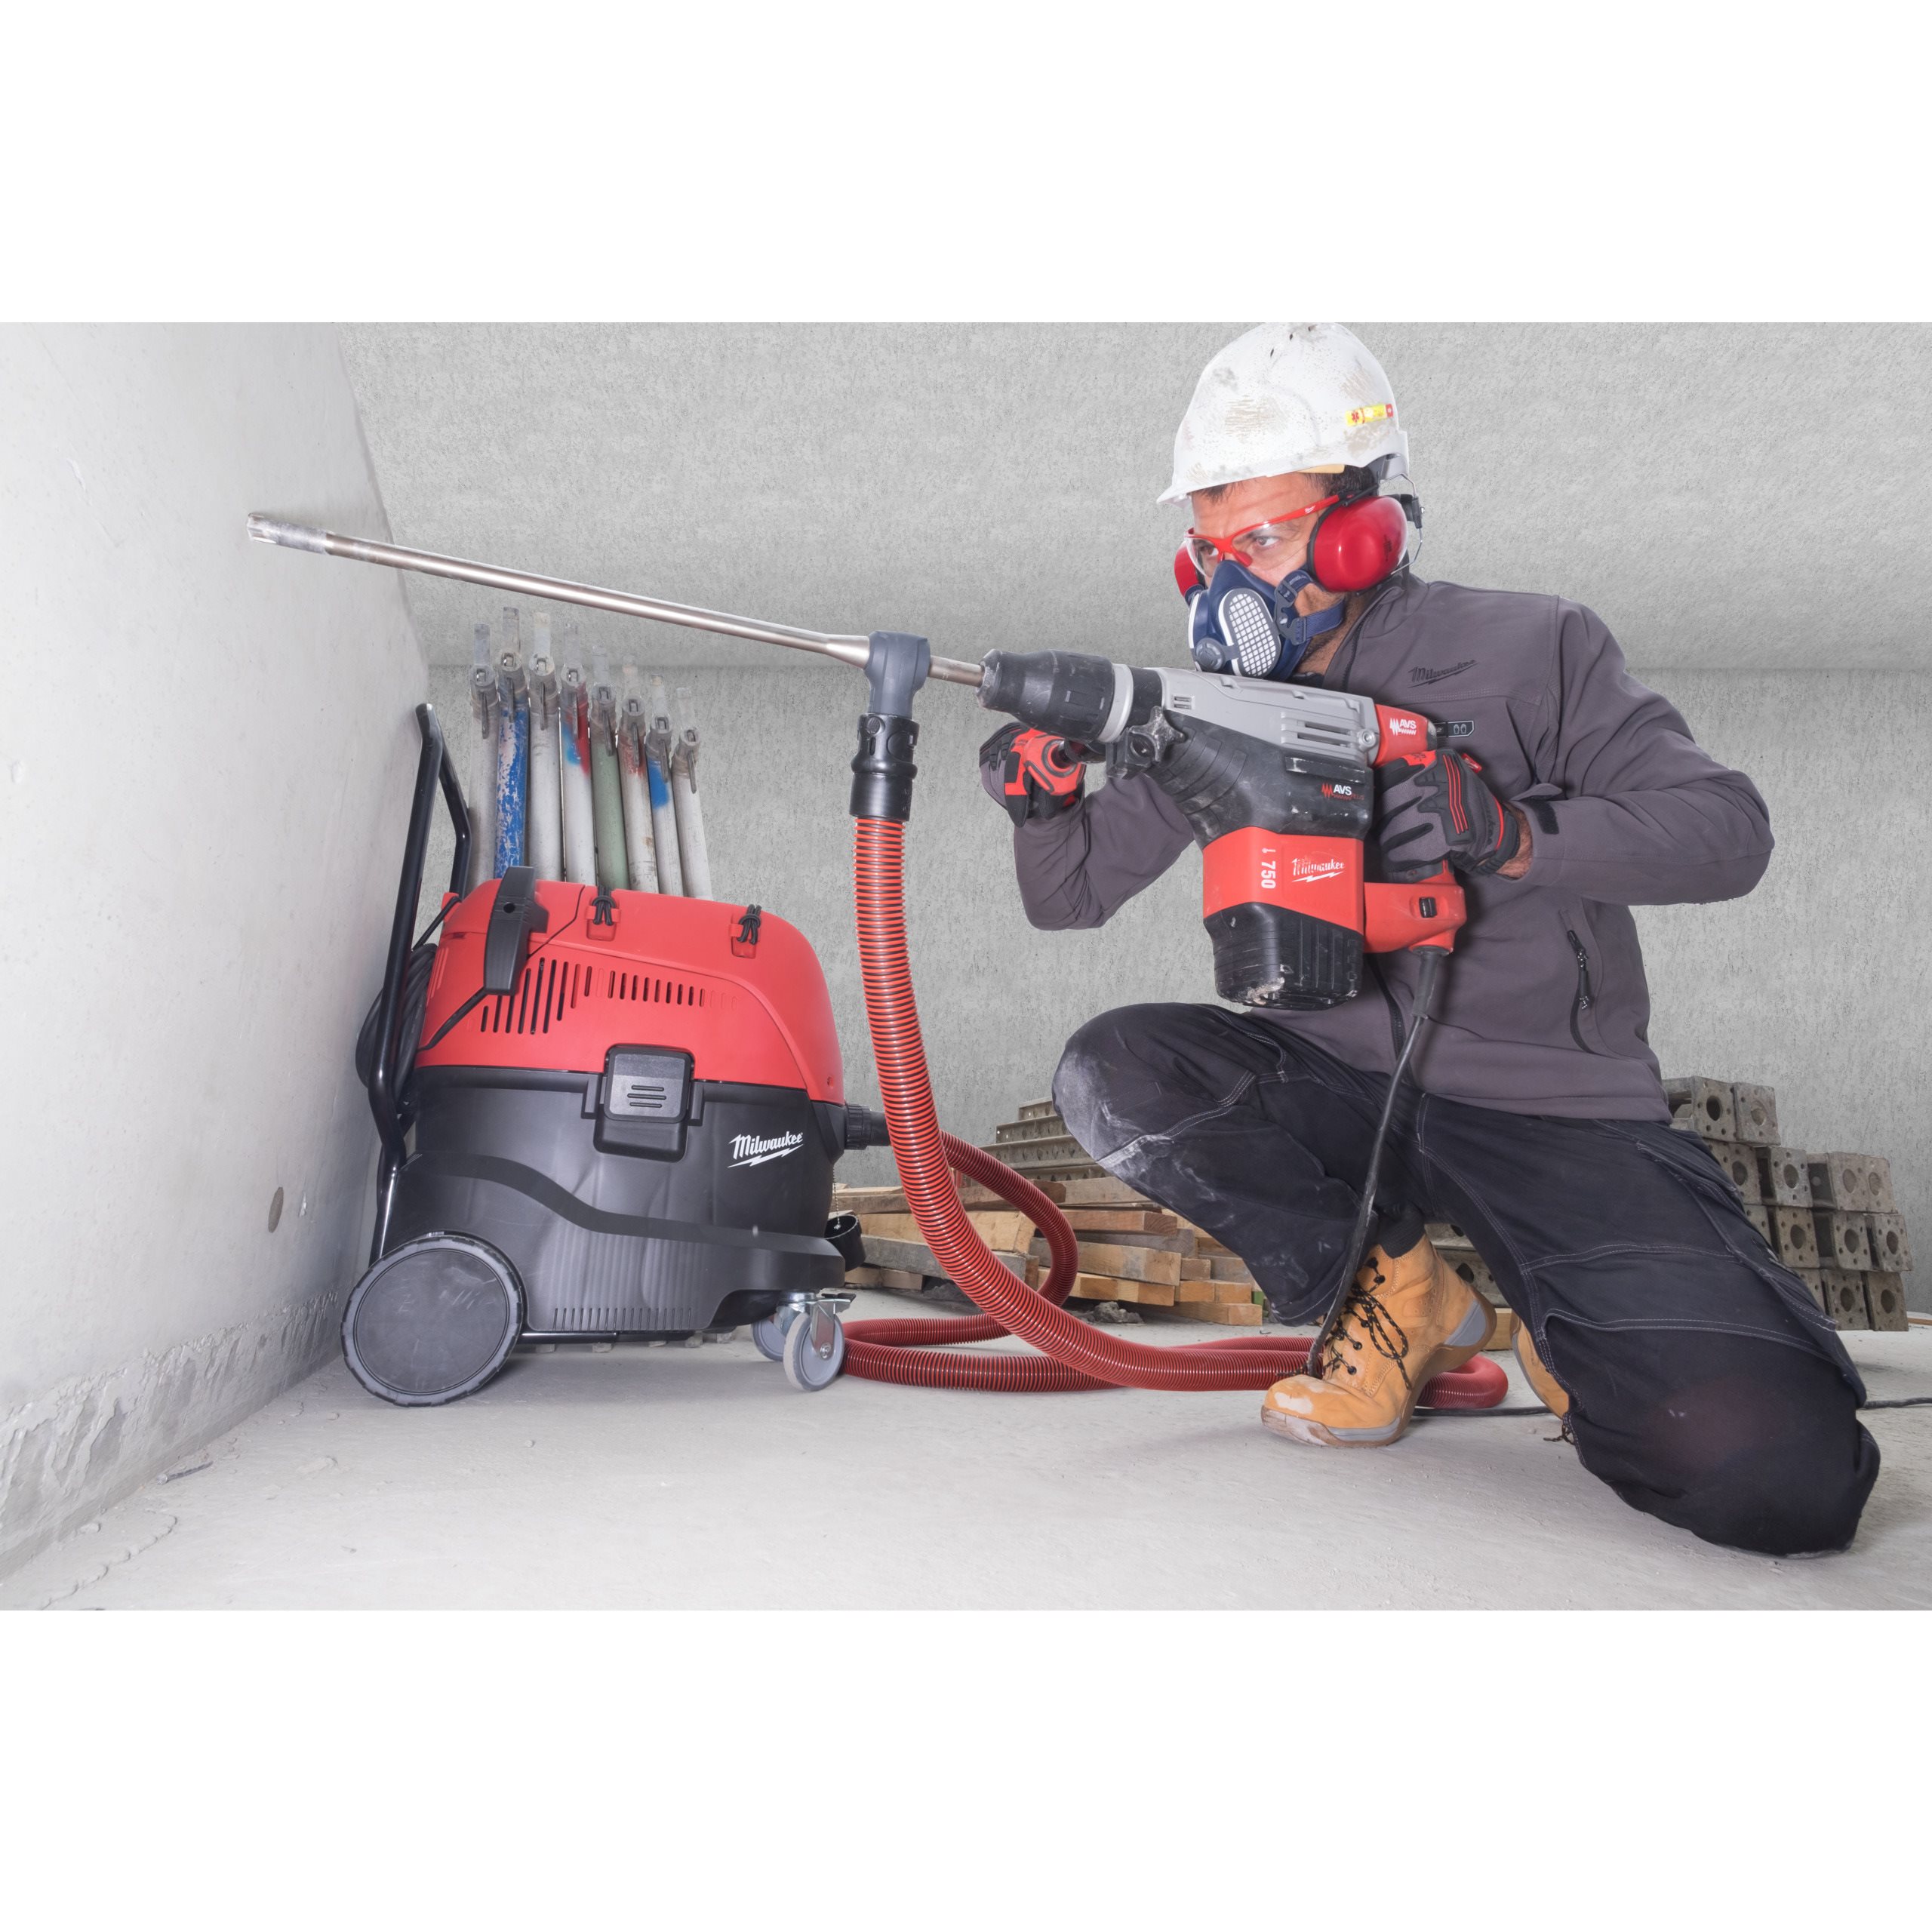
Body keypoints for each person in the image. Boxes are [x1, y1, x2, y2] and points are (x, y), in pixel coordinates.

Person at [980, 323, 1877, 1557]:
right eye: (1207, 551)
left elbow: (1729, 835)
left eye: (1263, 540)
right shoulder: (1216, 710)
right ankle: (1396, 1291)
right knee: (1117, 1068)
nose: (1228, 584)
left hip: (1558, 1117)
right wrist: (1042, 808)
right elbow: (1070, 897)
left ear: (1363, 528)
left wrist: (1516, 837)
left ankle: (1574, 1332)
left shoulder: (1535, 645)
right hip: (1337, 1087)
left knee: (1774, 1477)